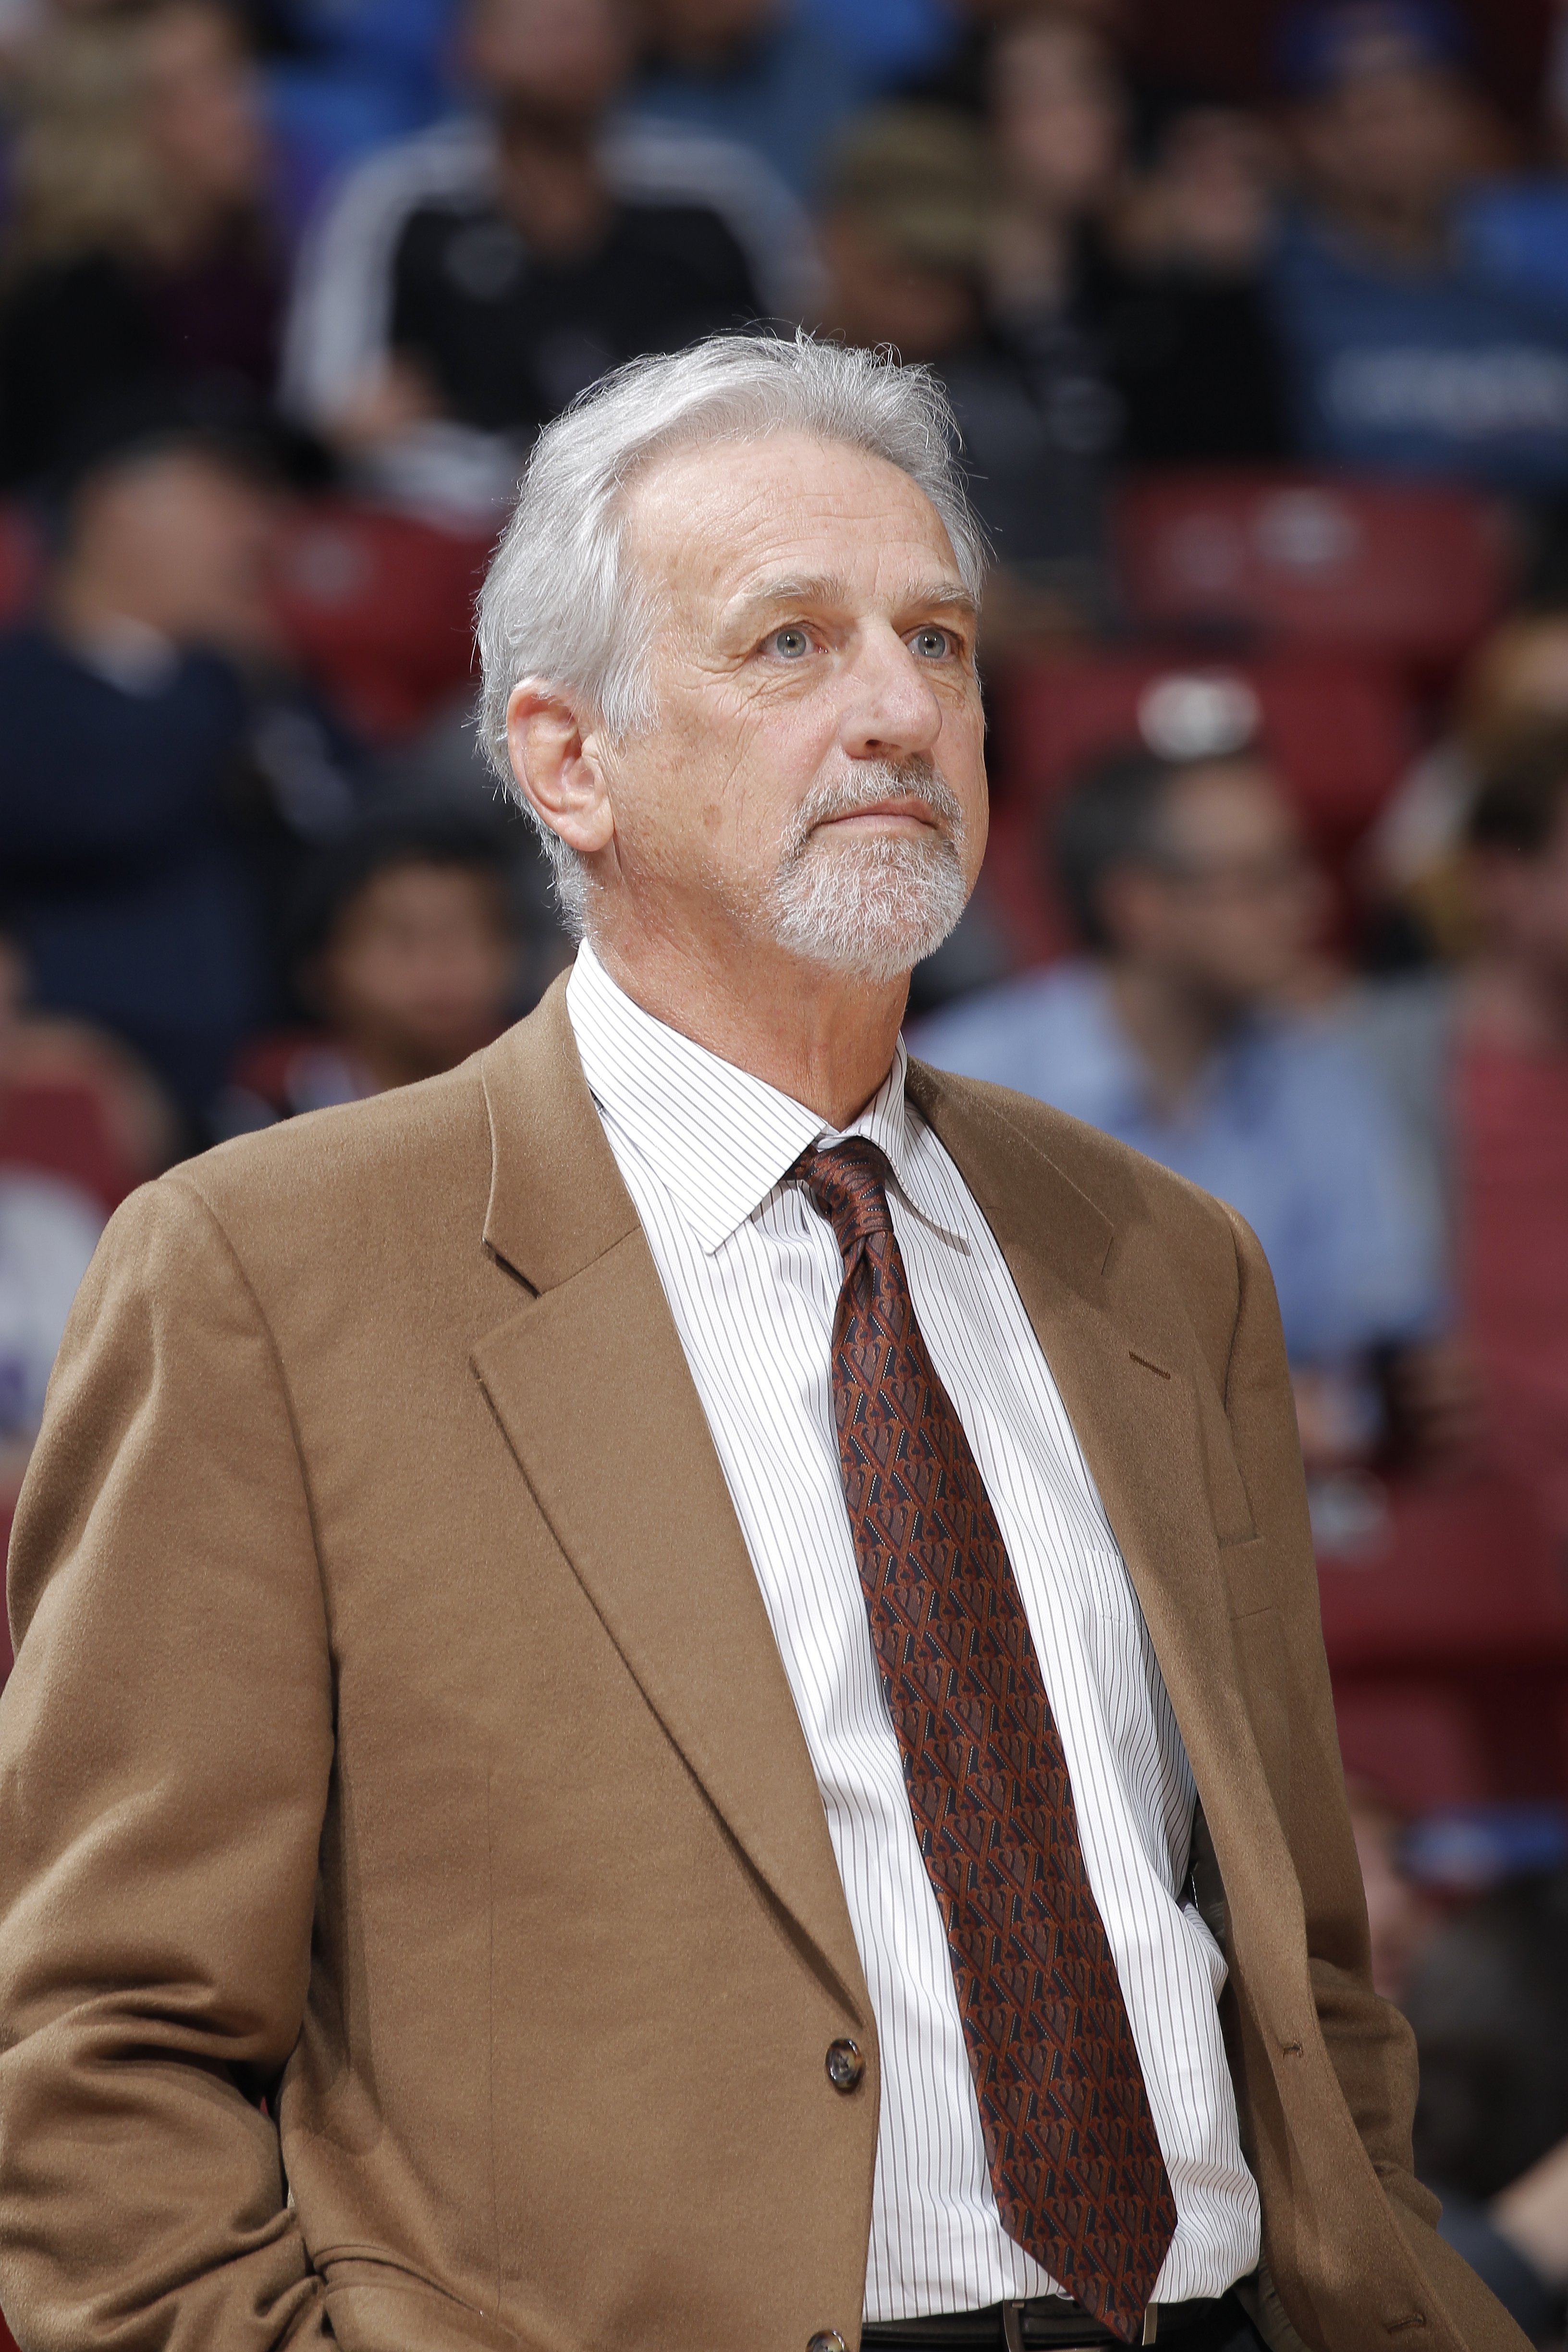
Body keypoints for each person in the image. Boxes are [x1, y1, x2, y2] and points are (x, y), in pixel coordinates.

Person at [0, 335, 1526, 2352]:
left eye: (942, 642)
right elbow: (105, 2038)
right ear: (567, 758)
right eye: (793, 645)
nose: (901, 707)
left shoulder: (1169, 1258)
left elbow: (1302, 1953)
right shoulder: (265, 1269)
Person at [911, 744, 1446, 1465]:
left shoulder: (1321, 1069)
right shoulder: (963, 1083)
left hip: (1299, 1532)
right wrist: (1236, 1426)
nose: (1310, 904)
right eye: (1261, 880)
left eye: (1301, 868)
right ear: (1140, 906)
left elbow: (1388, 1347)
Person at [281, 0, 814, 524]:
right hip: (452, 530)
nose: (571, 45)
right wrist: (522, 487)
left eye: (596, 24)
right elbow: (336, 412)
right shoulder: (395, 201)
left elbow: (800, 367)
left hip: (686, 516)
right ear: (471, 48)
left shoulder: (716, 197)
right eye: (543, 24)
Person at [0, 401, 357, 1131]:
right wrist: (220, 677)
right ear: (117, 510)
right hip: (109, 1085)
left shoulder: (261, 682)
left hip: (291, 1081)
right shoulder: (24, 689)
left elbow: (359, 824)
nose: (259, 531)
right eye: (224, 498)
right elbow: (113, 807)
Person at [1268, 0, 1568, 492]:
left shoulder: (1533, 293)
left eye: (1422, 104)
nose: (1401, 136)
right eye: (1369, 111)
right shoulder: (1269, 300)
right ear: (1310, 134)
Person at [0, 2, 285, 488]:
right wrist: (322, 445)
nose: (247, 113)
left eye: (239, 78)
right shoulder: (73, 300)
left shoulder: (246, 269)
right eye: (206, 90)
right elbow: (133, 482)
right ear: (119, 129)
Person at [221, 811, 524, 1126]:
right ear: (320, 967)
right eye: (402, 939)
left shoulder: (544, 1084)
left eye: (463, 935)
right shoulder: (273, 1101)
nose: (438, 964)